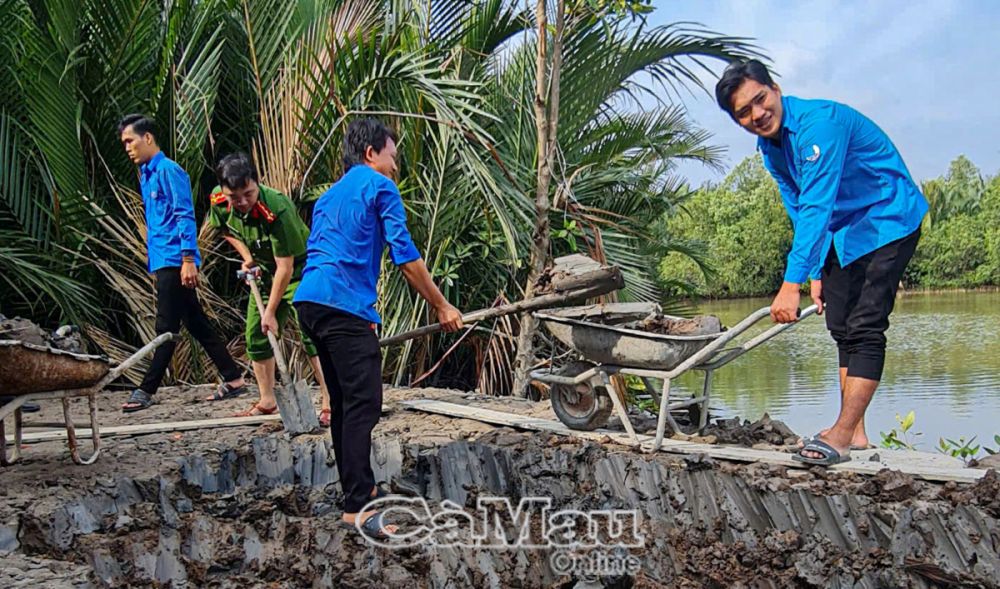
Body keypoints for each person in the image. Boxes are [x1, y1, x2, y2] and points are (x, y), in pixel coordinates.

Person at [714, 60, 927, 466]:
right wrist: (814, 273)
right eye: (744, 112)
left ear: (774, 88)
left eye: (759, 100)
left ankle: (842, 436)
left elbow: (815, 206)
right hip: (842, 230)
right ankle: (856, 434)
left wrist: (789, 284)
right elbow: (796, 207)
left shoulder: (818, 125)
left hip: (886, 218)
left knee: (864, 326)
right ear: (737, 120)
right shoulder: (770, 147)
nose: (757, 114)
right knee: (841, 328)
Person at [293, 118, 463, 538]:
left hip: (310, 302)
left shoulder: (328, 196)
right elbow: (405, 257)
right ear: (371, 153)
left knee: (345, 404)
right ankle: (360, 505)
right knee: (364, 403)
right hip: (343, 306)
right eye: (392, 155)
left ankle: (355, 496)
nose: (395, 165)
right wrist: (441, 306)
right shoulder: (379, 187)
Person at [118, 114, 246, 413]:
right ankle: (234, 377)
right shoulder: (147, 174)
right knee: (196, 323)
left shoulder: (168, 170)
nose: (128, 148)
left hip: (175, 260)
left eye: (130, 141)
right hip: (162, 259)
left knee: (166, 326)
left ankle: (146, 389)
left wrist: (188, 259)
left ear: (147, 138)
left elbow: (183, 214)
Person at [206, 153, 331, 424]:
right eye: (234, 197)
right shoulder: (218, 200)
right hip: (264, 271)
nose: (241, 203)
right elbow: (225, 230)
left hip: (300, 270)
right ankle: (267, 400)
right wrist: (246, 254)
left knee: (311, 334)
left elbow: (285, 267)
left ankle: (330, 400)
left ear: (257, 183)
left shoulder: (277, 208)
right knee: (256, 335)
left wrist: (271, 312)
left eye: (248, 194)